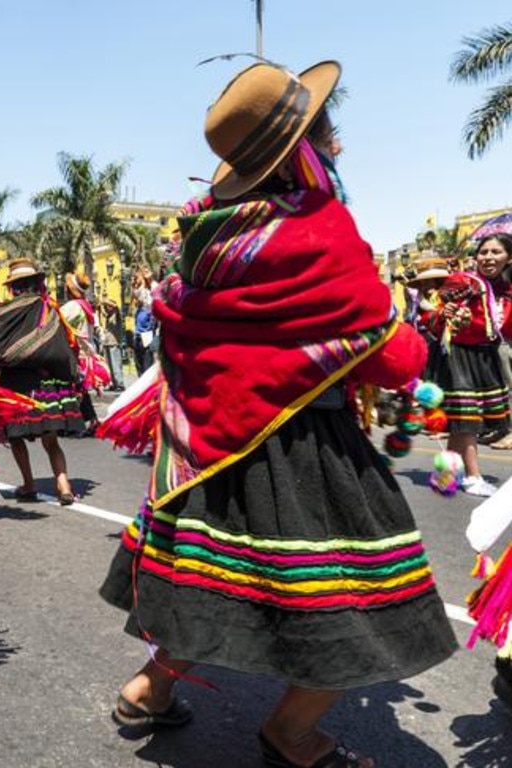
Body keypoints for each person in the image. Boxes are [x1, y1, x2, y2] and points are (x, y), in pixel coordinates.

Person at [99, 60, 456, 768]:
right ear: (303, 149)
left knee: (216, 582)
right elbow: (390, 354)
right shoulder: (319, 229)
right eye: (329, 134)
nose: (340, 147)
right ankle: (291, 730)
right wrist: (410, 352)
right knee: (354, 597)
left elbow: (196, 338)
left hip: (218, 443)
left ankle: (148, 690)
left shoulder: (206, 234)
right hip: (306, 445)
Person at [0, 258, 83, 505]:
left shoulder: (4, 311)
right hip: (47, 382)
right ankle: (63, 484)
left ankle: (28, 484)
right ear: (37, 283)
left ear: (14, 286)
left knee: (15, 437)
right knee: (51, 439)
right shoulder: (49, 308)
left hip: (17, 385)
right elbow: (65, 346)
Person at [420, 235, 512, 495]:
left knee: (463, 421)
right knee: (468, 419)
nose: (489, 257)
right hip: (458, 356)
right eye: (484, 252)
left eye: (497, 252)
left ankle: (445, 476)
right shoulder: (463, 282)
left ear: (509, 258)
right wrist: (444, 314)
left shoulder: (505, 290)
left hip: (485, 357)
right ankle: (473, 477)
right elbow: (429, 312)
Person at [61, 269, 108, 429]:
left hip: (75, 352)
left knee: (73, 388)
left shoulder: (71, 307)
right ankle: (92, 419)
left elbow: (58, 324)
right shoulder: (86, 306)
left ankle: (73, 422)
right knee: (80, 388)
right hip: (85, 352)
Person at [100, 300, 125, 392]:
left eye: (109, 307)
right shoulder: (108, 317)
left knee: (115, 365)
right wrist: (102, 306)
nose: (107, 308)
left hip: (114, 343)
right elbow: (103, 312)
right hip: (107, 343)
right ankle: (112, 383)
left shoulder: (117, 315)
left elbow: (115, 305)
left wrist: (103, 301)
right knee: (108, 366)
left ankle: (119, 383)